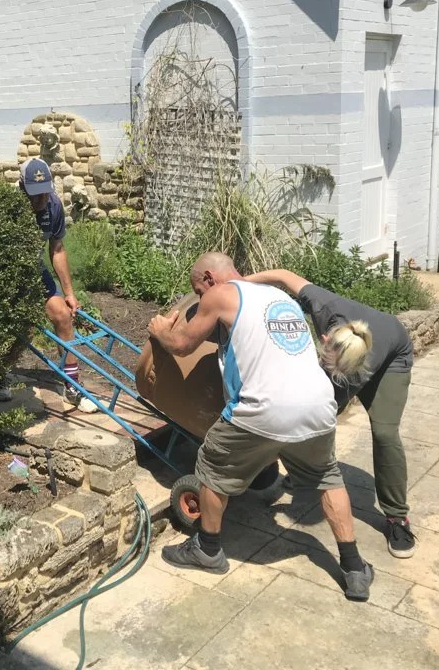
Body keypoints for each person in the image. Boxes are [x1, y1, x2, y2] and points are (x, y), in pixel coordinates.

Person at [149, 252, 375, 601]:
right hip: (318, 404)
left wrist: (161, 331)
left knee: (211, 466)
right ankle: (354, 568)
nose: (200, 297)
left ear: (209, 278)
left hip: (262, 408)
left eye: (198, 290)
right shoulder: (278, 298)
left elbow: (181, 345)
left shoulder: (219, 294)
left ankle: (207, 549)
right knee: (327, 477)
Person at [245, 268, 416, 558]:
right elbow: (284, 276)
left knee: (384, 433)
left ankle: (397, 517)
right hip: (356, 350)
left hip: (393, 357)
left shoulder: (358, 369)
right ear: (325, 339)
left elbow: (322, 412)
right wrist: (239, 283)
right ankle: (305, 472)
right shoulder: (325, 305)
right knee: (312, 411)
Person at [0, 157, 91, 409]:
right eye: (35, 194)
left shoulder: (54, 206)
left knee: (63, 315)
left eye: (45, 192)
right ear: (22, 188)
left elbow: (57, 249)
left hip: (34, 269)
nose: (41, 200)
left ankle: (72, 386)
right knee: (13, 324)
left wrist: (69, 293)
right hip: (5, 272)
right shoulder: (6, 208)